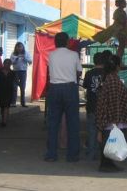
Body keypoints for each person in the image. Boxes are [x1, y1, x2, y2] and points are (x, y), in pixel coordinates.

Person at [45, 32, 82, 162]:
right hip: (70, 88)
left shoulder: (51, 55)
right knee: (73, 123)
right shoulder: (74, 55)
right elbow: (79, 71)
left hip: (54, 89)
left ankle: (51, 154)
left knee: (53, 123)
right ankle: (72, 155)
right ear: (67, 42)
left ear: (55, 42)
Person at [96, 55, 127, 172]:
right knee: (109, 141)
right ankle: (106, 164)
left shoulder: (108, 78)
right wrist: (115, 120)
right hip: (112, 118)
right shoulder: (113, 80)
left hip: (108, 117)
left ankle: (107, 163)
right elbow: (114, 102)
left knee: (108, 141)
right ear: (117, 67)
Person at [83, 52, 104, 161]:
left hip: (91, 106)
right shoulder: (107, 73)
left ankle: (91, 154)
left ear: (94, 61)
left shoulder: (89, 73)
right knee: (103, 131)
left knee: (92, 131)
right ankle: (103, 154)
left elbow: (85, 85)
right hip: (104, 108)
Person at [0, 59, 16, 127]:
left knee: (6, 106)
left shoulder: (12, 73)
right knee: (2, 106)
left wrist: (17, 87)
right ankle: (3, 118)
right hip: (0, 91)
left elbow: (15, 81)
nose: (7, 65)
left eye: (9, 63)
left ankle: (4, 121)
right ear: (3, 63)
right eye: (6, 63)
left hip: (9, 91)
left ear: (10, 65)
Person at [10, 42, 32, 107]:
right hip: (15, 72)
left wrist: (25, 58)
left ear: (23, 47)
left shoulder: (26, 53)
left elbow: (30, 61)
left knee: (22, 87)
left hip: (23, 72)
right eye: (18, 47)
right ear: (16, 48)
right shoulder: (13, 54)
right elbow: (11, 62)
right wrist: (16, 59)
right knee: (14, 87)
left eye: (21, 47)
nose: (19, 48)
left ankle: (23, 103)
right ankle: (13, 103)